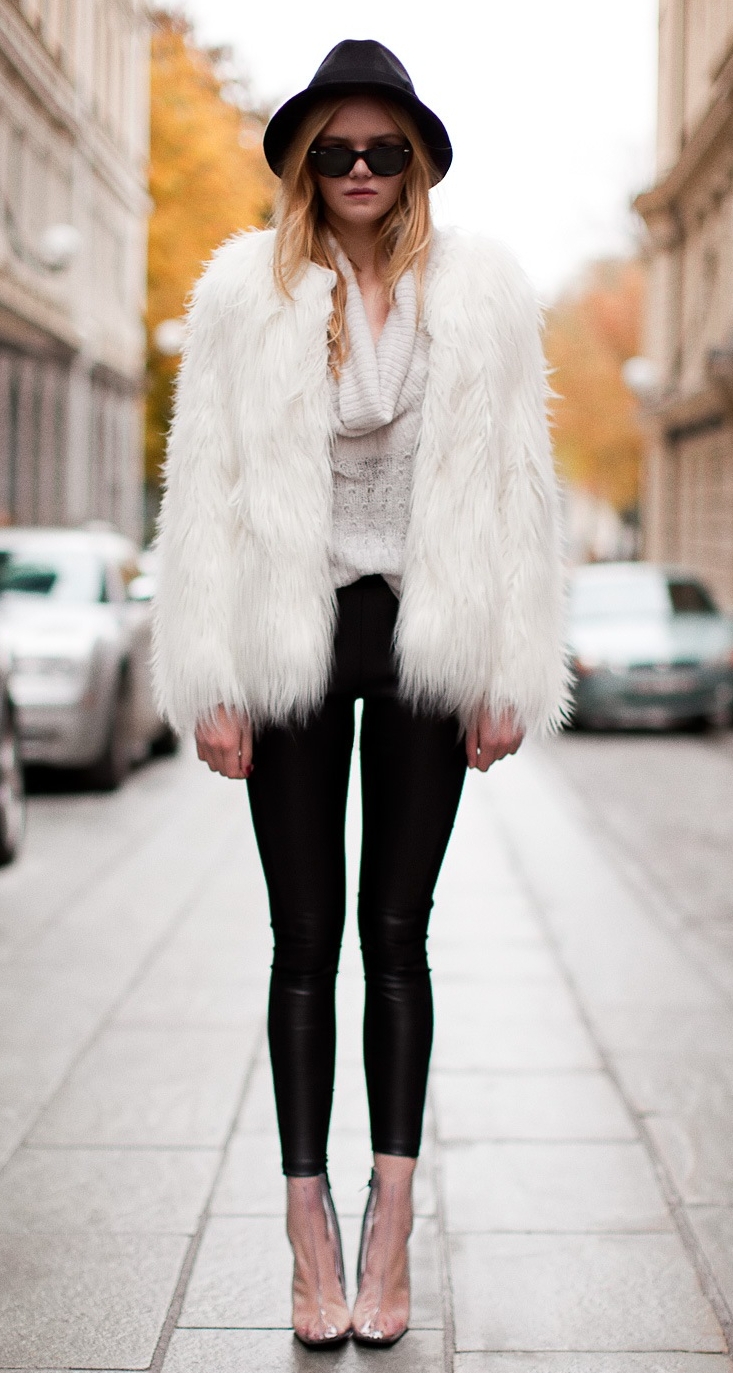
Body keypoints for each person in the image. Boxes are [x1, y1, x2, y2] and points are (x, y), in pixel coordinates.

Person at [153, 38, 569, 1350]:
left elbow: (520, 490)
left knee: (399, 930)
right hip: (290, 628)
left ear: (419, 163)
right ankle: (305, 1230)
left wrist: (508, 667)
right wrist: (210, 678)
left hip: (423, 627)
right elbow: (202, 492)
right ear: (300, 166)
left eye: (385, 149)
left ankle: (388, 1229)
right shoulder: (240, 297)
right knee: (300, 938)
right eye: (333, 151)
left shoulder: (485, 294)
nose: (359, 170)